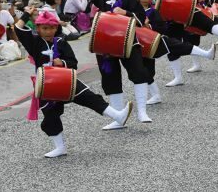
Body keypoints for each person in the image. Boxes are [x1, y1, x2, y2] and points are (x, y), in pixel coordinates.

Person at [15, 9, 132, 158]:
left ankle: (118, 116)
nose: (49, 31)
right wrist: (26, 14)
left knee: (90, 97)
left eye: (52, 28)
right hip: (46, 84)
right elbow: (18, 28)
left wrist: (61, 62)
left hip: (65, 79)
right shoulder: (34, 43)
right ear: (38, 28)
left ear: (56, 28)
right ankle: (60, 147)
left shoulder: (61, 42)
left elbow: (73, 63)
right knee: (51, 116)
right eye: (45, 28)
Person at [77, 0, 154, 127]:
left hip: (128, 42)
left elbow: (141, 20)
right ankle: (118, 118)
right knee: (110, 79)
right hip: (106, 44)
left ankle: (142, 111)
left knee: (139, 72)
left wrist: (126, 13)